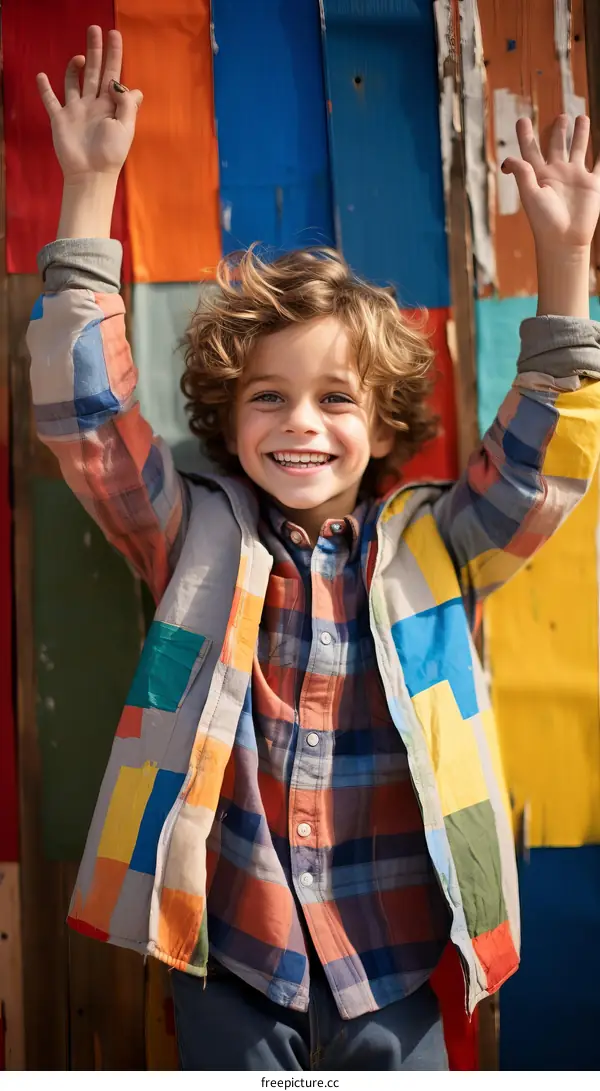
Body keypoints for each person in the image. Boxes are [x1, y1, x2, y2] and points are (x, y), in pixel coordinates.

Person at [28, 25, 600, 1073]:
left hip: (400, 960)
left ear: (384, 425)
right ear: (228, 416)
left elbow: (534, 469)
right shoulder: (193, 533)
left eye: (336, 398)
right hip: (233, 960)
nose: (302, 422)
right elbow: (90, 418)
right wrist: (89, 195)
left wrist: (566, 265)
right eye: (269, 397)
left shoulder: (436, 542)